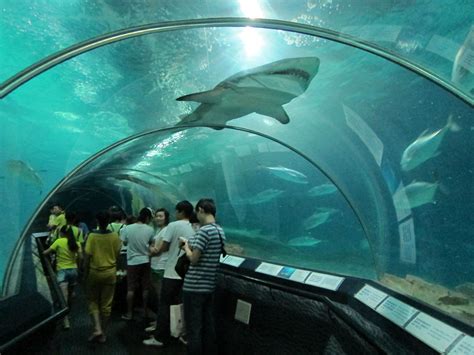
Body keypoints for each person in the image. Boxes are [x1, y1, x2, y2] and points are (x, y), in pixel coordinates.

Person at [144, 200, 194, 347]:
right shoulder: (194, 226)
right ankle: (179, 333)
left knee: (164, 304)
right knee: (181, 304)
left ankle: (159, 337)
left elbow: (163, 248)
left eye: (176, 211)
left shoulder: (173, 225)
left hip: (171, 271)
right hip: (185, 273)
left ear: (180, 212)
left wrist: (152, 249)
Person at [181, 199, 225, 355]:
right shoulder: (219, 230)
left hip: (194, 286)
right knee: (207, 326)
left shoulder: (205, 231)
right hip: (209, 286)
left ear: (200, 210)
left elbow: (193, 259)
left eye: (196, 212)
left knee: (194, 328)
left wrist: (186, 247)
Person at [83, 211, 122, 343]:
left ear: (97, 221)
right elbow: (117, 254)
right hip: (110, 273)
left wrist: (84, 273)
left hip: (94, 272)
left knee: (92, 300)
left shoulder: (92, 236)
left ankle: (97, 328)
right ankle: (103, 334)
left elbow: (87, 256)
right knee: (106, 305)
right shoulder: (115, 236)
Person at [43, 225, 82, 329]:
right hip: (74, 271)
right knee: (70, 295)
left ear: (62, 233)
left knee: (63, 297)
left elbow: (46, 252)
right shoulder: (76, 243)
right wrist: (78, 266)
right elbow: (81, 256)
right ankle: (68, 313)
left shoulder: (59, 241)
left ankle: (66, 320)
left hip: (62, 271)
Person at [120, 207, 155, 320]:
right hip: (145, 260)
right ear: (148, 217)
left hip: (132, 261)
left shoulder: (128, 228)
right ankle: (145, 311)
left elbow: (124, 242)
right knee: (145, 287)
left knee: (131, 288)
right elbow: (151, 244)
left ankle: (129, 314)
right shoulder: (150, 229)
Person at [145, 208, 170, 333]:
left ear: (166, 218)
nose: (158, 218)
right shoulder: (159, 230)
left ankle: (160, 325)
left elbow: (156, 250)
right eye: (157, 216)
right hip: (155, 266)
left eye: (161, 216)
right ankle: (158, 321)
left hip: (160, 267)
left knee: (161, 298)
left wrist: (147, 245)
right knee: (158, 297)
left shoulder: (165, 231)